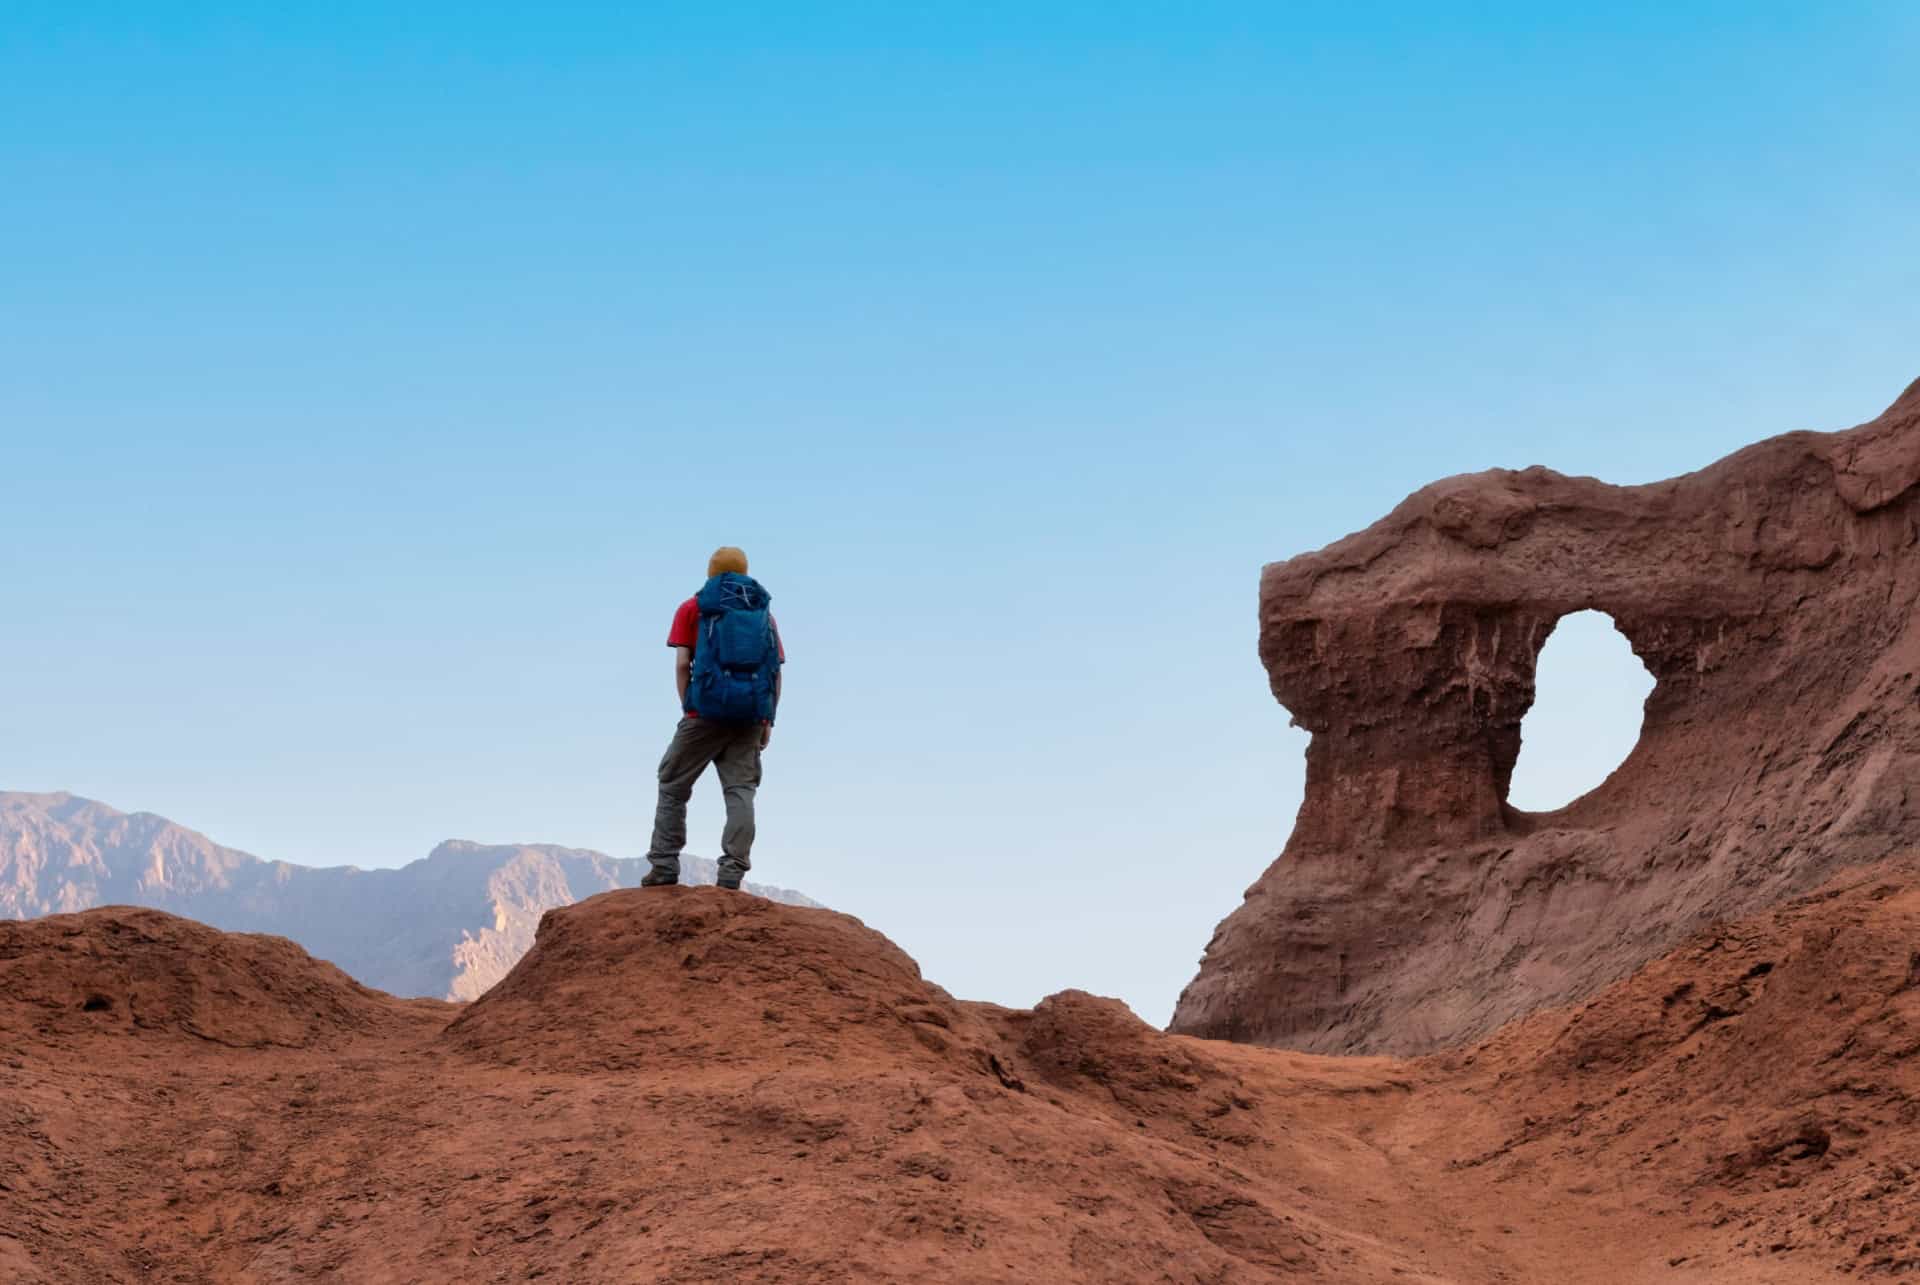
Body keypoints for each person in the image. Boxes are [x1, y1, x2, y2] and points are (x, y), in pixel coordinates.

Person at [642, 546, 783, 890]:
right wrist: (768, 721)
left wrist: (689, 707)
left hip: (702, 714)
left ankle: (664, 865)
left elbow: (681, 665)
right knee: (740, 791)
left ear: (710, 572)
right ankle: (732, 871)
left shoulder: (694, 607)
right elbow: (775, 674)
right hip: (750, 715)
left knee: (673, 783)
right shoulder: (764, 615)